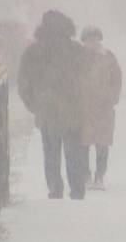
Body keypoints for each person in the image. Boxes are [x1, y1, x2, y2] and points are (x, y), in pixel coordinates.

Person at [18, 10, 89, 200]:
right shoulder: (76, 50)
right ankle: (77, 188)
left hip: (47, 110)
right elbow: (89, 79)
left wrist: (35, 105)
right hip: (74, 110)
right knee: (75, 152)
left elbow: (24, 82)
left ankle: (55, 188)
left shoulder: (34, 52)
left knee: (51, 153)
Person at [79, 26, 123, 190]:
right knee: (83, 144)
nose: (92, 42)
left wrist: (112, 98)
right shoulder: (77, 58)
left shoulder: (108, 57)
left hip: (104, 108)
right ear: (84, 40)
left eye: (95, 38)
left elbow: (117, 79)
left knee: (102, 145)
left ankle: (100, 176)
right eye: (89, 39)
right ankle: (86, 175)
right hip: (83, 108)